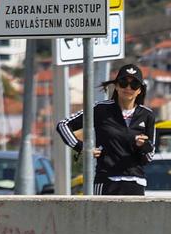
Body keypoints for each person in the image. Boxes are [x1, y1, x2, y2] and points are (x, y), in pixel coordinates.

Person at [56, 63, 157, 195]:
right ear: (116, 85)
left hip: (135, 182)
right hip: (106, 181)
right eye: (123, 82)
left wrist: (143, 146)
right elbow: (63, 125)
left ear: (140, 90)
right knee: (101, 216)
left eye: (134, 85)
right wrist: (82, 148)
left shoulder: (147, 115)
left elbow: (150, 156)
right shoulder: (101, 109)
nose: (128, 88)